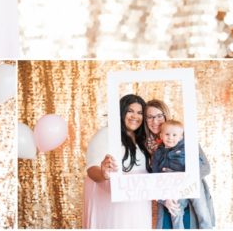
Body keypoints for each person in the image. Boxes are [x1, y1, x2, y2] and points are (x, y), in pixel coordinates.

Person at [83, 94, 151, 229]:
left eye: (139, 113)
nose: (135, 116)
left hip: (137, 206)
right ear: (121, 112)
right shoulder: (106, 134)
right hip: (112, 207)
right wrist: (103, 174)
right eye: (130, 111)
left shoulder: (142, 139)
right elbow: (91, 170)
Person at [150, 120, 216, 230]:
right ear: (161, 135)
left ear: (181, 137)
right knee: (176, 212)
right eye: (167, 134)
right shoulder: (158, 152)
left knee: (202, 211)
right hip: (174, 187)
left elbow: (204, 167)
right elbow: (155, 175)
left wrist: (185, 177)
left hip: (192, 184)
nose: (170, 138)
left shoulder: (188, 147)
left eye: (174, 135)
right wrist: (163, 195)